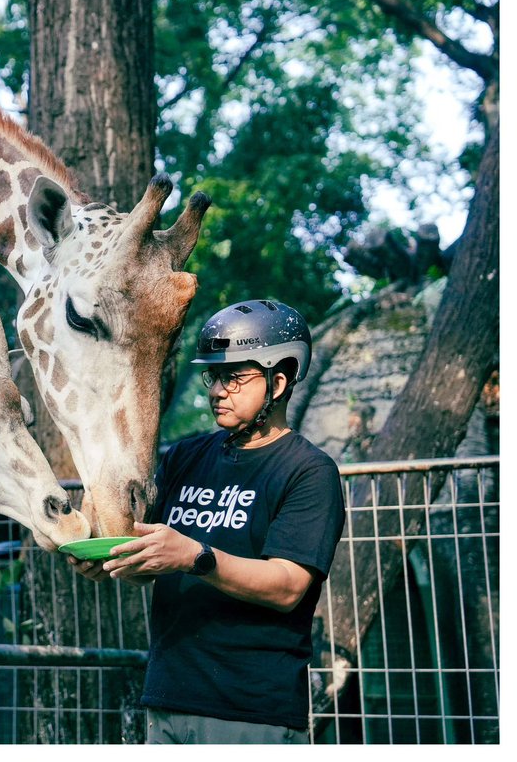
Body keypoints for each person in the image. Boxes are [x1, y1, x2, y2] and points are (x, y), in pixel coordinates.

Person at [68, 299, 345, 744]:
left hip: (250, 709)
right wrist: (108, 562)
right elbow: (154, 557)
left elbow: (288, 586)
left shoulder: (309, 471)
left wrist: (195, 557)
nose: (217, 390)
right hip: (167, 696)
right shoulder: (184, 456)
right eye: (213, 376)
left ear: (279, 380)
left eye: (234, 377)